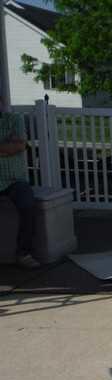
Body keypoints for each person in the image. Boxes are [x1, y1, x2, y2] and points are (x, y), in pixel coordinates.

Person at [0, 99, 39, 268]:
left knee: (28, 204)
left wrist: (12, 145)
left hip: (14, 180)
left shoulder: (14, 119)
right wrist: (7, 143)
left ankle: (23, 253)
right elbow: (11, 146)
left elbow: (20, 146)